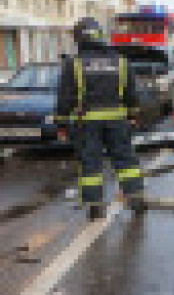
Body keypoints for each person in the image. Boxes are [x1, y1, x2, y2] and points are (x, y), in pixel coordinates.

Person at [56, 18, 145, 221]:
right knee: (125, 159)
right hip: (118, 121)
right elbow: (132, 93)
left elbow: (65, 97)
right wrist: (133, 115)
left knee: (91, 163)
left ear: (79, 38)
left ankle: (95, 207)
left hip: (87, 122)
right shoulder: (121, 62)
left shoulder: (74, 64)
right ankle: (136, 198)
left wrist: (61, 123)